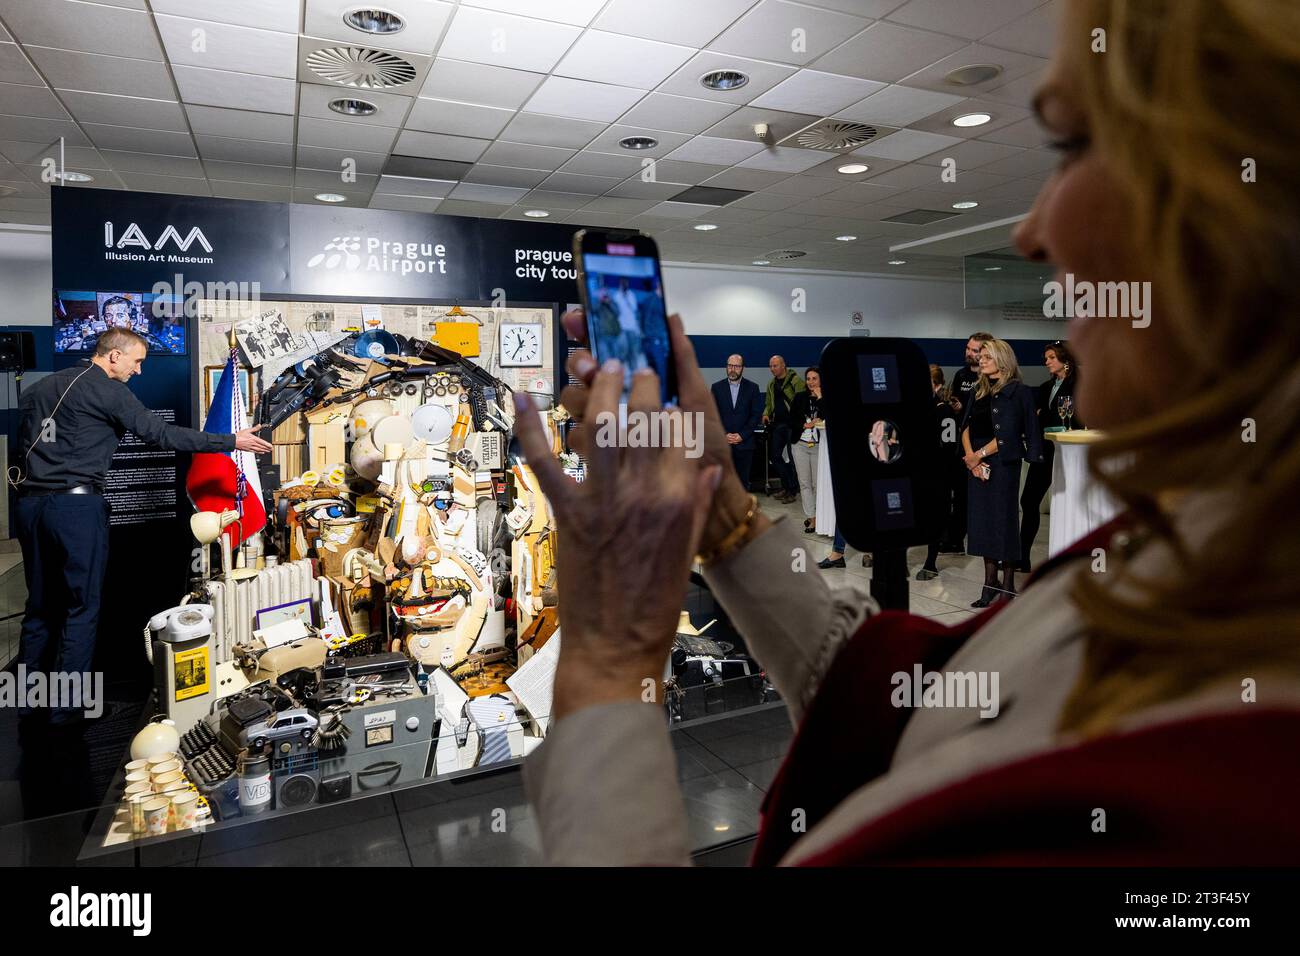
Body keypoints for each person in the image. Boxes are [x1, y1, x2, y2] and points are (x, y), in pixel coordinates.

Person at [516, 0, 1300, 866]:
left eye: (1075, 147)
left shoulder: (1219, 793)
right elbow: (907, 701)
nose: (1030, 232)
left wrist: (606, 651)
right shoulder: (1200, 557)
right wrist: (726, 518)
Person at [10, 328, 272, 726]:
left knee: (41, 606)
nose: (138, 370)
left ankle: (27, 701)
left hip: (30, 507)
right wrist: (230, 440)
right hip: (75, 509)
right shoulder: (105, 389)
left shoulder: (42, 388)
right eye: (136, 361)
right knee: (81, 607)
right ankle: (65, 709)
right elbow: (160, 434)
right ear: (113, 356)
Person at [961, 339, 1043, 607]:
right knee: (982, 523)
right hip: (977, 464)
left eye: (986, 357)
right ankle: (989, 582)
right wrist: (971, 460)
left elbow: (1010, 433)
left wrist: (979, 455)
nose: (980, 360)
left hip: (1003, 463)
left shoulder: (1018, 391)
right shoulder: (977, 391)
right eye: (980, 356)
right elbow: (965, 427)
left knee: (1004, 522)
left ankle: (1007, 583)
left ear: (1002, 360)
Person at [1018, 341, 1082, 572]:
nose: (1046, 362)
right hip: (1045, 450)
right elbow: (1040, 415)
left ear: (1065, 360)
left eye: (1051, 357)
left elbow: (1078, 419)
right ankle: (1022, 556)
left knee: (1071, 502)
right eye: (1046, 358)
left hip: (1071, 451)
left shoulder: (1079, 384)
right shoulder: (1046, 387)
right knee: (1028, 500)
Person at [944, 332, 994, 554]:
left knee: (981, 498)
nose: (970, 353)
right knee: (959, 493)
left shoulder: (989, 379)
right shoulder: (960, 374)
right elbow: (958, 407)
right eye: (968, 348)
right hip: (961, 441)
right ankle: (955, 539)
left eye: (975, 350)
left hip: (983, 442)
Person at [916, 365, 962, 580]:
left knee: (934, 516)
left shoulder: (943, 410)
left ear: (937, 385)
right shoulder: (919, 408)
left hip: (938, 472)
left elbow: (949, 445)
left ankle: (931, 562)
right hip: (921, 470)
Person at [709, 354, 762, 488]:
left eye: (736, 366)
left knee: (742, 485)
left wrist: (741, 435)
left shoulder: (753, 388)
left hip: (745, 445)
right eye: (730, 365)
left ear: (743, 368)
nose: (732, 369)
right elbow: (713, 415)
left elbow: (755, 415)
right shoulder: (716, 388)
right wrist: (724, 434)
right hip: (723, 445)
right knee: (722, 485)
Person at [761, 355, 803, 503]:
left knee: (793, 459)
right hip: (778, 425)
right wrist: (766, 413)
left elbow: (802, 402)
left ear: (784, 365)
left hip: (792, 426)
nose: (773, 369)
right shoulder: (771, 384)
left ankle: (793, 490)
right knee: (775, 457)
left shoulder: (795, 381)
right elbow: (768, 403)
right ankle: (787, 486)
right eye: (771, 366)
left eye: (776, 365)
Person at [788, 367, 823, 532]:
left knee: (817, 484)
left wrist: (821, 397)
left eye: (814, 378)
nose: (810, 382)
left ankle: (821, 516)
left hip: (818, 447)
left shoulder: (826, 399)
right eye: (808, 378)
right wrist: (804, 424)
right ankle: (812, 518)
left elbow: (829, 414)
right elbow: (791, 420)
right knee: (805, 484)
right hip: (800, 445)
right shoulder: (799, 397)